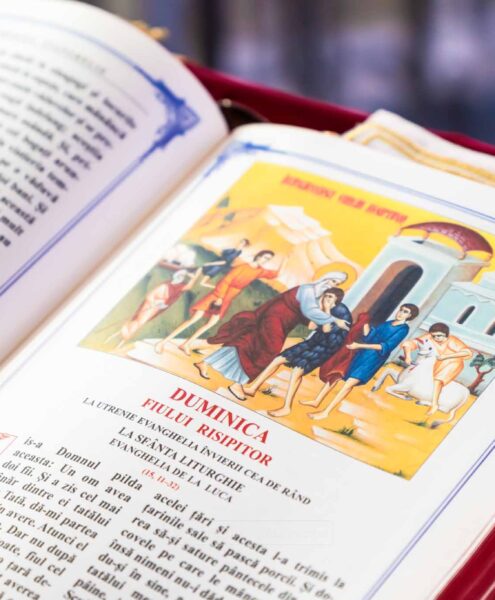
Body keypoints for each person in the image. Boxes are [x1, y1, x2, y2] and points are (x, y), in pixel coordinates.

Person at [195, 271, 351, 401]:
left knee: (249, 341)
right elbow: (309, 311)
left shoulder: (317, 295)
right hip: (275, 318)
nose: (332, 285)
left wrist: (325, 317)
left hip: (283, 323)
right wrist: (334, 320)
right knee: (270, 350)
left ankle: (205, 363)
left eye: (337, 284)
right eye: (333, 281)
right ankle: (237, 385)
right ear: (325, 278)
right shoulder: (308, 290)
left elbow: (308, 318)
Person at [155, 250, 282, 356]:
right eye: (265, 257)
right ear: (259, 256)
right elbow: (226, 281)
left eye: (268, 259)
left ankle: (186, 344)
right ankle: (162, 342)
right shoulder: (242, 267)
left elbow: (274, 274)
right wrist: (219, 297)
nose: (266, 260)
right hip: (217, 296)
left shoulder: (259, 271)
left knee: (211, 323)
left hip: (227, 299)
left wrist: (285, 261)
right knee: (194, 319)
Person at [310, 303, 419, 420]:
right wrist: (365, 322)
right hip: (361, 355)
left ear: (410, 316)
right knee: (337, 375)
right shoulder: (388, 323)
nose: (401, 313)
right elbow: (369, 336)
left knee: (348, 384)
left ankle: (326, 412)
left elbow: (385, 346)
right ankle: (317, 401)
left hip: (373, 359)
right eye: (401, 310)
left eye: (405, 312)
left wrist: (359, 345)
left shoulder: (403, 329)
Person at [260, 288, 350, 417]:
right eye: (325, 296)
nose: (326, 299)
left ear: (337, 299)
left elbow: (326, 330)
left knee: (297, 371)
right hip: (313, 342)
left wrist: (326, 311)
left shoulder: (343, 312)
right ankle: (253, 388)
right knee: (278, 359)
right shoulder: (322, 308)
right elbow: (311, 326)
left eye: (330, 297)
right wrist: (320, 310)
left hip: (326, 348)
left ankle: (286, 407)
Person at [300, 312, 370, 409]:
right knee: (333, 376)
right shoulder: (362, 325)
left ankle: (317, 401)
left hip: (346, 352)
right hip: (345, 351)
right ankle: (317, 401)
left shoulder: (359, 325)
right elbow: (367, 336)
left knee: (335, 376)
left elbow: (367, 337)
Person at [401, 322, 472, 415]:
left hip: (452, 362)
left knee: (438, 379)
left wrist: (446, 356)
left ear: (446, 334)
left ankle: (434, 404)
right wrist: (407, 356)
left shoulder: (452, 340)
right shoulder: (430, 337)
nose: (436, 338)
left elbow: (467, 352)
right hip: (435, 362)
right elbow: (410, 343)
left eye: (439, 336)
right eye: (433, 336)